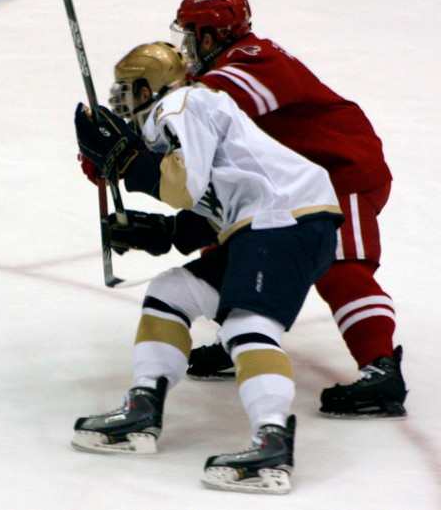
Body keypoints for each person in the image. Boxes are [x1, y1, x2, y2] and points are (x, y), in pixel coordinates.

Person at [72, 42, 342, 494]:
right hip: (274, 224)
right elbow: (217, 198)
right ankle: (143, 408)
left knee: (245, 324)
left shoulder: (182, 103)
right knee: (171, 293)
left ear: (148, 88)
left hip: (284, 221)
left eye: (126, 92)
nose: (122, 103)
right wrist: (161, 233)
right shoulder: (186, 116)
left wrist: (129, 164)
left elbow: (184, 182)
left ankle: (272, 442)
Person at [157, 0, 405, 420]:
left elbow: (208, 104)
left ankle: (381, 370)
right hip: (289, 186)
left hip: (338, 171)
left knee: (343, 269)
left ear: (210, 37)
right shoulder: (212, 76)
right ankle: (238, 339)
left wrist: (144, 113)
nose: (187, 46)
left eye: (191, 34)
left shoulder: (255, 58)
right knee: (233, 237)